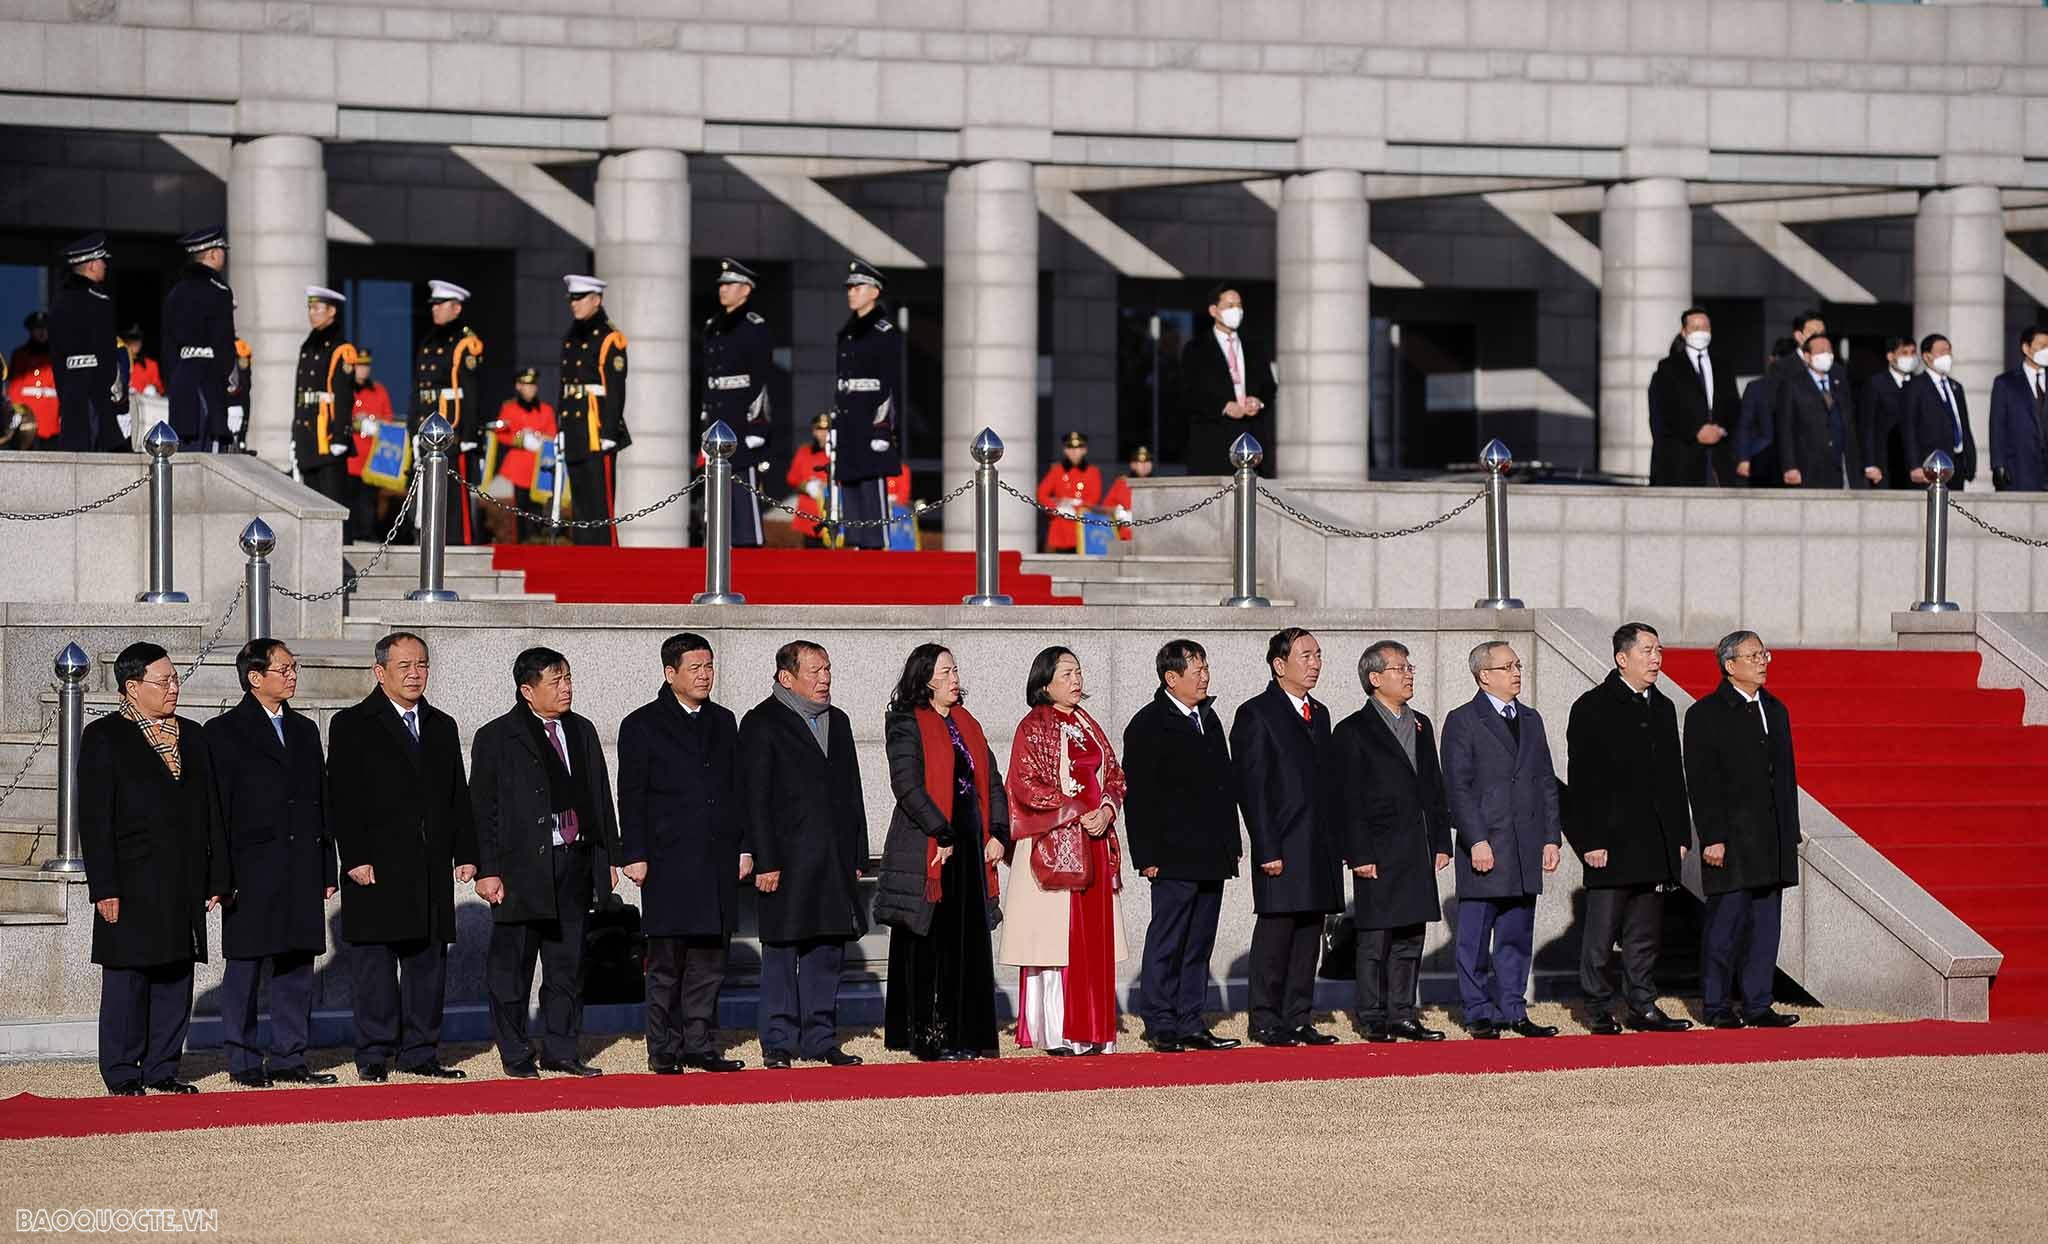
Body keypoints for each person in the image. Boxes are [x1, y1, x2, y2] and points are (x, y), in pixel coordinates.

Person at [77, 642, 228, 1095]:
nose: (173, 688)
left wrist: (217, 875)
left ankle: (162, 1067)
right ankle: (122, 1072)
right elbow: (95, 819)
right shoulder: (104, 737)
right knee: (128, 976)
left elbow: (212, 812)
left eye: (176, 678)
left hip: (184, 878)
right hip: (130, 880)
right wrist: (104, 887)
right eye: (163, 681)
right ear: (131, 686)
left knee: (175, 973)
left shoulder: (193, 735)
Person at [329, 632, 476, 1081]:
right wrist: (354, 856)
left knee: (427, 964)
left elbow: (457, 796)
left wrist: (466, 853)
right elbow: (341, 796)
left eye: (422, 666)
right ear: (380, 672)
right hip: (375, 866)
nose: (415, 675)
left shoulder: (441, 724)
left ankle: (421, 1050)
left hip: (429, 867)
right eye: (404, 667)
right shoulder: (352, 722)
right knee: (374, 965)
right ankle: (374, 1051)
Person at [471, 647, 621, 1077]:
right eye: (555, 682)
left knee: (567, 966)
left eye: (568, 679)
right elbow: (483, 807)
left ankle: (561, 1048)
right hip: (520, 868)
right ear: (527, 690)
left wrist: (607, 854)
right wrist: (488, 868)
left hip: (574, 861)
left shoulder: (583, 730)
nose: (566, 688)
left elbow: (599, 797)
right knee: (512, 967)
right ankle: (516, 1051)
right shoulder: (498, 736)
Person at [205, 639, 339, 1087]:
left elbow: (320, 802)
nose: (292, 675)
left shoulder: (304, 729)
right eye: (283, 669)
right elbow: (216, 812)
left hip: (301, 865)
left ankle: (290, 1056)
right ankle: (242, 1060)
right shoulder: (223, 732)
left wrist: (326, 867)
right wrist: (219, 876)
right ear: (254, 677)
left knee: (297, 968)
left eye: (294, 667)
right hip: (251, 869)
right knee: (244, 968)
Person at [617, 633, 750, 1074]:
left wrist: (745, 847)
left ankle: (699, 1043)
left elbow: (736, 790)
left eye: (709, 666)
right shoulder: (642, 724)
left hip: (717, 858)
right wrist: (633, 853)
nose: (705, 675)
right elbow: (631, 795)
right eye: (695, 668)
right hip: (668, 860)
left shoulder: (724, 720)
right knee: (668, 963)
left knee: (710, 962)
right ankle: (663, 1047)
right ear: (670, 673)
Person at [874, 644, 1010, 1061]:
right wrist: (942, 833)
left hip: (970, 846)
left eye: (955, 670)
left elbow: (990, 780)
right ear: (926, 677)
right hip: (929, 847)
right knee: (928, 942)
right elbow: (908, 786)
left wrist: (999, 832)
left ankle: (966, 1033)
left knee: (966, 943)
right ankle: (930, 1036)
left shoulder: (967, 722)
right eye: (946, 671)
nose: (955, 678)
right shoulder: (905, 723)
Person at [739, 640, 868, 1068]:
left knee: (827, 950)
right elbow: (754, 797)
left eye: (827, 669)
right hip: (786, 861)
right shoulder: (761, 722)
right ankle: (777, 1040)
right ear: (786, 677)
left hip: (833, 858)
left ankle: (820, 1039)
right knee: (782, 950)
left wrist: (857, 854)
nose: (824, 678)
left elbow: (852, 793)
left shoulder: (840, 722)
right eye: (814, 671)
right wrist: (765, 859)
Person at [1563, 623, 1694, 1036]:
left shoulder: (1664, 706)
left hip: (1655, 843)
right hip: (1610, 844)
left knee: (1644, 935)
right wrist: (1591, 841)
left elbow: (1675, 777)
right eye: (1647, 650)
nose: (1656, 658)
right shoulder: (1592, 706)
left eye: (1659, 650)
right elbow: (1582, 782)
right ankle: (1597, 1006)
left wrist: (1679, 836)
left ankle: (1642, 1004)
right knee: (1601, 935)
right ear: (1622, 658)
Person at [1003, 646, 1128, 1055]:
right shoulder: (1033, 726)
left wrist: (1107, 809)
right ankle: (1057, 1030)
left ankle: (1095, 1028)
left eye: (1079, 672)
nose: (1077, 680)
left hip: (1093, 841)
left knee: (1092, 939)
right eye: (1067, 673)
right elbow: (1024, 784)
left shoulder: (1086, 723)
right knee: (1056, 941)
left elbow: (1113, 772)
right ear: (1045, 682)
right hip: (1053, 845)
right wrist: (1077, 811)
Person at [1122, 638, 1242, 1053]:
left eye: (1206, 667)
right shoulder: (1148, 723)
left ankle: (1192, 1019)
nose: (1204, 675)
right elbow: (1138, 797)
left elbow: (1224, 785)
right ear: (1171, 678)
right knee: (1168, 939)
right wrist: (1147, 856)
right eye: (1196, 669)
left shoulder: (1209, 719)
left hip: (1212, 854)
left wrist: (1232, 842)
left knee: (1199, 941)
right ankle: (1160, 1020)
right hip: (1172, 855)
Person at [1330, 640, 1452, 1043]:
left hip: (1415, 846)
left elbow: (1432, 786)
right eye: (1400, 668)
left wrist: (1441, 840)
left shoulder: (1421, 724)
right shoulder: (1352, 730)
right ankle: (1372, 1014)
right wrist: (1358, 853)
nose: (1409, 673)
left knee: (1410, 936)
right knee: (1375, 937)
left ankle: (1403, 1012)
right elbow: (1346, 798)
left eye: (1409, 666)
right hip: (1377, 849)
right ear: (1375, 678)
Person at [1440, 641, 1562, 1039]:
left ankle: (1513, 1007)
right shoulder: (1463, 720)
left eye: (1518, 665)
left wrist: (1551, 837)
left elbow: (1546, 781)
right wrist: (1475, 840)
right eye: (1507, 666)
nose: (1516, 672)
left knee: (1516, 935)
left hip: (1525, 846)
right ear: (1483, 675)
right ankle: (1477, 1010)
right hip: (1486, 844)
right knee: (1474, 939)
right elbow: (1458, 788)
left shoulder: (1531, 718)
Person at [1683, 630, 1802, 1029]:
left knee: (1766, 928)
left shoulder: (1776, 709)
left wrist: (1791, 832)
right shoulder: (1705, 714)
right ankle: (1716, 1005)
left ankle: (1757, 1003)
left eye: (1764, 653)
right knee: (1724, 926)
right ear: (1730, 666)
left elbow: (1785, 778)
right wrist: (1712, 835)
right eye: (1753, 656)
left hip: (1772, 839)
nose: (1763, 661)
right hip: (1731, 841)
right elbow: (1702, 782)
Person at [1230, 627, 1342, 1046]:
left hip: (1319, 844)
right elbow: (1253, 787)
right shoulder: (1256, 713)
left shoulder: (1322, 713)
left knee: (1309, 931)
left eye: (1318, 655)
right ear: (1279, 665)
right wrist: (1267, 846)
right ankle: (1264, 1017)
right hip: (1282, 843)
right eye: (1306, 656)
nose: (1315, 663)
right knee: (1277, 932)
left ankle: (1298, 1015)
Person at [703, 258, 776, 547]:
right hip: (718, 414)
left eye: (730, 284)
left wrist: (758, 424)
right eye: (721, 284)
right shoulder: (713, 326)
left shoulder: (753, 326)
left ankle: (749, 542)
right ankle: (722, 542)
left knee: (743, 483)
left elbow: (761, 378)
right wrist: (705, 418)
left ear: (745, 290)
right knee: (716, 486)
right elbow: (709, 377)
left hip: (742, 417)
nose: (723, 290)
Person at [833, 259, 902, 549]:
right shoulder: (848, 332)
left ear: (874, 292)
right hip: (849, 419)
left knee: (871, 485)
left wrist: (882, 428)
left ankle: (875, 544)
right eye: (849, 287)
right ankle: (855, 541)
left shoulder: (883, 331)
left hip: (871, 420)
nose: (851, 292)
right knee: (848, 481)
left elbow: (889, 384)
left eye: (858, 287)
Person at [559, 274, 632, 546]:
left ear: (596, 300)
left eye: (580, 299)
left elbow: (615, 388)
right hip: (575, 425)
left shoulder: (609, 338)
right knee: (579, 495)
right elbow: (565, 384)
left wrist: (610, 430)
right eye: (572, 299)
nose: (574, 304)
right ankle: (583, 549)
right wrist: (561, 427)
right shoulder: (572, 335)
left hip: (597, 426)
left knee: (599, 497)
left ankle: (603, 551)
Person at [413, 280, 484, 545]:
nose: (435, 310)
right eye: (434, 305)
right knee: (429, 491)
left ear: (456, 308)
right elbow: (418, 388)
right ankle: (432, 541)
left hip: (452, 427)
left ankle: (459, 541)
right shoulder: (428, 342)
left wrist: (469, 434)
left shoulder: (466, 344)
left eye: (441, 305)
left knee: (454, 495)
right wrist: (413, 426)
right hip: (428, 426)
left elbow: (472, 391)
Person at [1180, 283, 1275, 476]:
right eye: (1230, 306)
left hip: (1251, 439)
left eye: (1239, 306)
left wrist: (1258, 401)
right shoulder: (1196, 349)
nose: (1236, 311)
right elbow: (1189, 392)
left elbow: (1268, 386)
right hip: (1214, 442)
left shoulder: (1254, 347)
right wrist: (1223, 406)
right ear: (1214, 310)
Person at [49, 232, 130, 452]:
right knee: (102, 448)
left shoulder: (58, 303)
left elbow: (56, 355)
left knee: (74, 447)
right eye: (102, 260)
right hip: (95, 388)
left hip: (70, 386)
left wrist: (64, 391)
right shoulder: (98, 301)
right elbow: (105, 351)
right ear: (92, 265)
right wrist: (113, 385)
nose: (105, 265)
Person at [160, 226, 238, 451]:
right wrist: (227, 376)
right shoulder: (219, 290)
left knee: (183, 453)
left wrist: (174, 382)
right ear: (213, 254)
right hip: (209, 380)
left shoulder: (176, 292)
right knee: (210, 453)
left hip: (182, 381)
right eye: (222, 250)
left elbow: (168, 347)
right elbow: (223, 341)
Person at [1647, 308, 1738, 486]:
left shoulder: (1723, 366)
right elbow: (1666, 412)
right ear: (1684, 332)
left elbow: (1733, 406)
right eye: (1695, 328)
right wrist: (1695, 432)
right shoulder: (1668, 368)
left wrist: (1721, 430)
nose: (1700, 332)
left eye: (1705, 328)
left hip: (1718, 457)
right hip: (1684, 458)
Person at [1773, 331, 1871, 489]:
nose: (1827, 355)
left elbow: (1851, 422)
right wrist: (1789, 465)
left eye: (1829, 351)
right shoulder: (1793, 385)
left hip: (1842, 463)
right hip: (1809, 465)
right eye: (1821, 351)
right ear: (1807, 356)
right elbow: (1785, 429)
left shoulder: (1840, 381)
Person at [293, 286, 358, 522]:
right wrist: (296, 433)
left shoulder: (341, 349)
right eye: (310, 307)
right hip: (308, 434)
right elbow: (300, 394)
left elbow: (342, 395)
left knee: (333, 500)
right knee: (311, 500)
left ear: (331, 311)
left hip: (328, 436)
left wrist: (340, 435)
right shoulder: (309, 345)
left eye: (317, 308)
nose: (312, 313)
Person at [493, 367, 559, 542]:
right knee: (520, 507)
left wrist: (538, 436)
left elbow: (552, 435)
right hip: (518, 466)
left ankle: (538, 539)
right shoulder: (509, 408)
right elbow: (501, 434)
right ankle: (521, 541)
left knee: (538, 509)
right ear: (518, 386)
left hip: (540, 467)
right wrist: (521, 437)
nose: (530, 389)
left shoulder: (546, 410)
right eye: (526, 385)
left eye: (533, 385)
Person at [1903, 333, 1977, 489]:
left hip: (1956, 464)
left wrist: (1970, 461)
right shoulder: (1915, 386)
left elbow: (1963, 424)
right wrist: (1914, 465)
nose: (1947, 356)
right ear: (1927, 356)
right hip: (1930, 464)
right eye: (1942, 351)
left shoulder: (1956, 387)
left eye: (1949, 351)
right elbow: (1908, 427)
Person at [1987, 324, 2048, 492]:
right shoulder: (2005, 383)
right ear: (2026, 348)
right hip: (2019, 468)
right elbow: (1997, 426)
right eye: (2042, 346)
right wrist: (1997, 464)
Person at [1857, 336, 1919, 489]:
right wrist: (1870, 464)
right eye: (1904, 353)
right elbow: (1867, 426)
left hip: (1913, 464)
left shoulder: (1919, 384)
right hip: (1884, 461)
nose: (1910, 357)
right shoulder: (1876, 384)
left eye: (1913, 352)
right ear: (1891, 356)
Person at [346, 348, 394, 539]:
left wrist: (374, 423)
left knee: (369, 502)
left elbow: (388, 419)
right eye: (359, 366)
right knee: (350, 499)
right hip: (352, 457)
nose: (363, 370)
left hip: (371, 457)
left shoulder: (378, 391)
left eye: (366, 366)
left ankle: (367, 534)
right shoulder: (346, 389)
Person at [1035, 431, 1104, 553]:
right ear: (1065, 451)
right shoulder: (1057, 471)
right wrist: (1055, 508)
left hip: (1082, 527)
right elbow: (1042, 493)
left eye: (1078, 448)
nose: (1074, 452)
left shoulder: (1093, 472)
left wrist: (1074, 505)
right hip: (1060, 527)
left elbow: (1094, 498)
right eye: (1070, 448)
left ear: (1084, 450)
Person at [787, 412, 835, 546]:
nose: (823, 433)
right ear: (814, 431)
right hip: (810, 511)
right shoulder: (804, 452)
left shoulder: (838, 453)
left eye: (827, 430)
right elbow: (792, 478)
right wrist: (807, 486)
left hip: (833, 510)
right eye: (820, 429)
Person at [1100, 444, 1152, 543]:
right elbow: (1106, 507)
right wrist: (1120, 514)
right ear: (1132, 465)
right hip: (1125, 537)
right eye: (1140, 462)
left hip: (1150, 538)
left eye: (1148, 461)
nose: (1145, 465)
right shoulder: (1121, 484)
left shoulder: (1158, 484)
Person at [10, 308, 50, 379]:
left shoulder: (57, 355)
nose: (42, 331)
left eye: (45, 327)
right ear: (30, 330)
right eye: (37, 328)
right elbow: (14, 384)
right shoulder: (19, 355)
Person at [124, 325, 162, 398]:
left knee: (151, 390)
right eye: (132, 339)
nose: (135, 343)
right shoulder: (120, 364)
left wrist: (154, 389)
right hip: (127, 403)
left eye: (138, 339)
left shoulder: (151, 365)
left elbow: (159, 388)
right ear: (127, 342)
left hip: (147, 404)